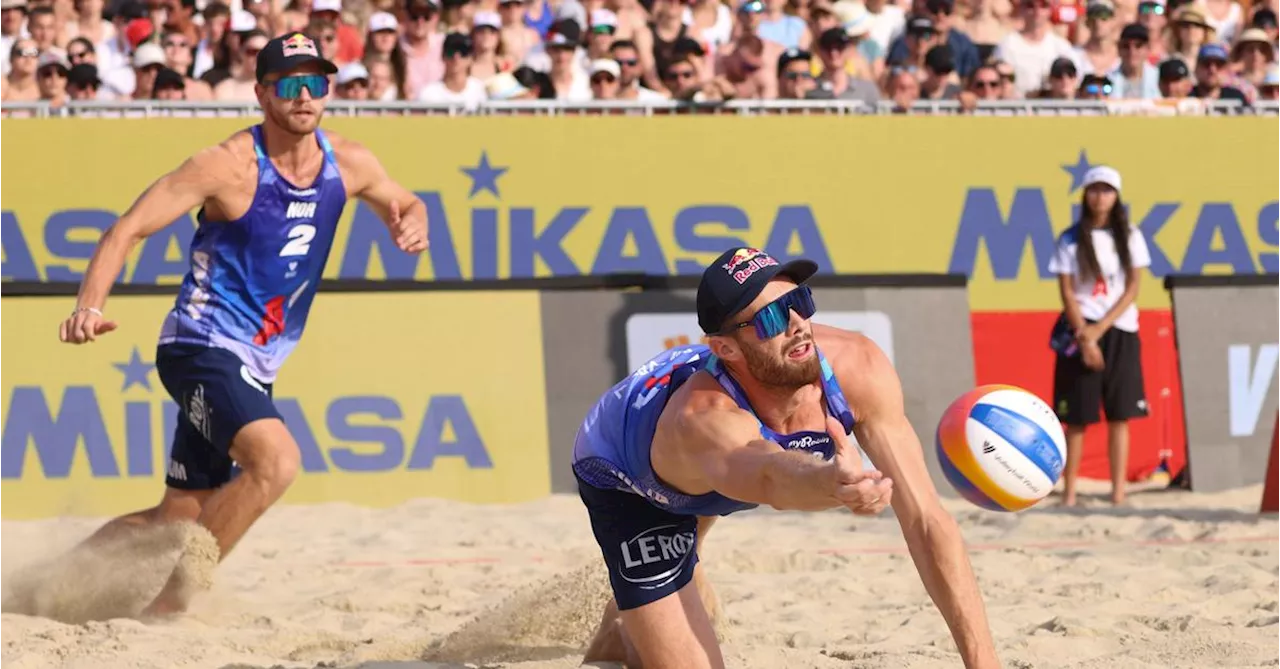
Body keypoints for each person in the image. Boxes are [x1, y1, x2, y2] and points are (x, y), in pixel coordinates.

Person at [56, 31, 429, 618]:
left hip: (255, 362)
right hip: (198, 346)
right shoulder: (227, 165)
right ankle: (168, 608)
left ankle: (53, 584)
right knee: (275, 463)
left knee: (178, 516)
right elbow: (125, 229)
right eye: (290, 83)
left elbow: (405, 199)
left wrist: (412, 223)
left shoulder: (348, 160)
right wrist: (89, 306)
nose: (306, 95)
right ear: (261, 93)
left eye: (318, 82)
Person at [571, 248, 1000, 669]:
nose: (797, 324)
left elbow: (927, 521)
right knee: (686, 539)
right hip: (627, 477)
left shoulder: (858, 365)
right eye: (771, 318)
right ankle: (633, 621)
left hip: (713, 471)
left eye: (799, 301)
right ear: (727, 349)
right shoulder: (702, 419)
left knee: (699, 524)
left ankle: (640, 617)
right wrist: (832, 482)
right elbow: (768, 475)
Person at [1047, 166, 1151, 507]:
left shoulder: (1130, 235)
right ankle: (1070, 492)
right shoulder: (1071, 238)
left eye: (1107, 190)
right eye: (1094, 189)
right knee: (1076, 417)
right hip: (1081, 326)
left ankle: (1118, 492)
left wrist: (1100, 330)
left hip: (1119, 328)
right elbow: (1066, 290)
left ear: (1117, 196)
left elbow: (1132, 287)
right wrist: (1085, 336)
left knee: (1120, 415)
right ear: (1085, 194)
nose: (1100, 196)